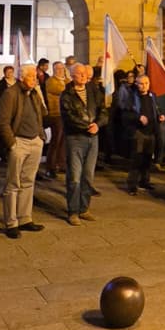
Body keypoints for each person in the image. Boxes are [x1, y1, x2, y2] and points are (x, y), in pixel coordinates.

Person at [0, 64, 46, 238]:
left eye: (35, 77)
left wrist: (40, 137)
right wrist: (12, 144)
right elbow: (3, 122)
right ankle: (11, 222)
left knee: (28, 181)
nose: (35, 79)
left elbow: (42, 114)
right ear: (22, 77)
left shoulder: (34, 93)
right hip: (19, 142)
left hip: (35, 141)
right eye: (31, 76)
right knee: (13, 183)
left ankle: (25, 218)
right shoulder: (10, 94)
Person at [59, 64, 103, 225]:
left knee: (88, 175)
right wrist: (87, 126)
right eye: (79, 73)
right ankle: (73, 211)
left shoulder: (93, 91)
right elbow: (69, 117)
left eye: (85, 73)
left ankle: (84, 208)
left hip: (93, 137)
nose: (83, 76)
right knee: (75, 176)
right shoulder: (67, 95)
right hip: (76, 138)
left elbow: (103, 110)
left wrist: (98, 124)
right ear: (72, 76)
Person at [117, 73, 165, 195]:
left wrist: (161, 116)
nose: (144, 86)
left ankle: (144, 181)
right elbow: (125, 115)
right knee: (136, 159)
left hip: (151, 131)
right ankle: (132, 185)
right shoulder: (131, 97)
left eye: (146, 83)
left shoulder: (152, 96)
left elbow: (157, 110)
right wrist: (138, 117)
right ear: (136, 84)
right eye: (141, 84)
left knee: (147, 159)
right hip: (138, 132)